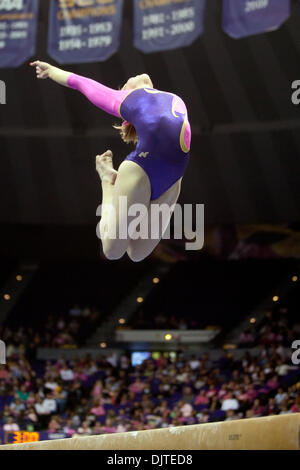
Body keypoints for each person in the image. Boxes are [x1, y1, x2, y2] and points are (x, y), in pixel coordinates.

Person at [30, 61, 191, 261]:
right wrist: (52, 71)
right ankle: (107, 180)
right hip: (142, 169)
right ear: (124, 91)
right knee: (112, 251)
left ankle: (112, 182)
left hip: (172, 179)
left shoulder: (171, 98)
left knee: (137, 253)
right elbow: (83, 84)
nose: (127, 82)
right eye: (124, 84)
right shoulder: (128, 99)